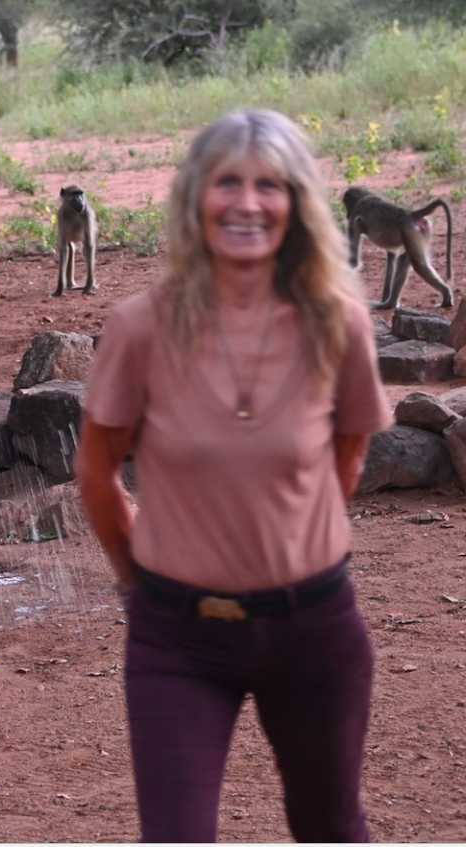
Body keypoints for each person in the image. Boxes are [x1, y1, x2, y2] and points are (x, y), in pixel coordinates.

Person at [76, 108, 392, 843]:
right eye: (227, 183)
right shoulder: (140, 328)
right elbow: (97, 478)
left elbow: (345, 459)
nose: (247, 204)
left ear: (297, 204)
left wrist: (284, 547)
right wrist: (144, 583)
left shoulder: (338, 325)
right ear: (194, 198)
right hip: (176, 639)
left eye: (268, 185)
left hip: (314, 627)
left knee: (331, 826)